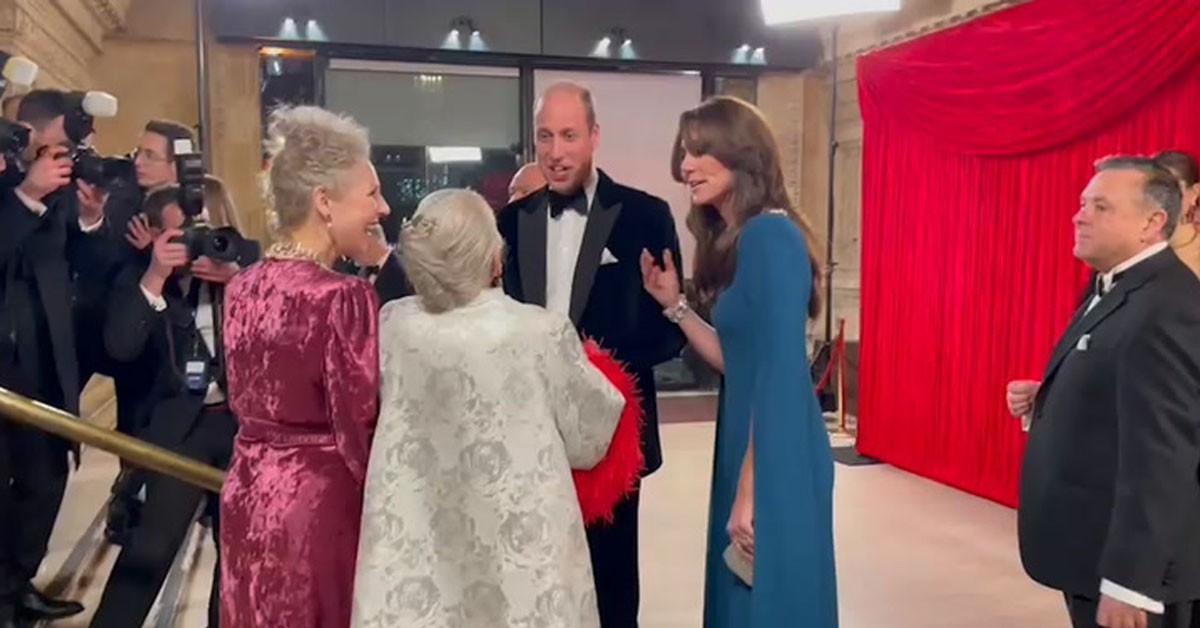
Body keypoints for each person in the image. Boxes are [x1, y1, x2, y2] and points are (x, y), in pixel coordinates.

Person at [353, 188, 642, 627]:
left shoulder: (392, 325)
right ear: (494, 258)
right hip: (523, 555)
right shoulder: (539, 332)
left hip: (419, 544)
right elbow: (591, 439)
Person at [640, 95, 837, 627]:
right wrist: (674, 305)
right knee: (744, 595)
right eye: (684, 152)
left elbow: (778, 375)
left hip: (775, 448)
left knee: (768, 602)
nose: (686, 165)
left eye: (702, 151)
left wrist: (752, 486)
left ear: (741, 154)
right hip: (755, 441)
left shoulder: (771, 237)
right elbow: (737, 360)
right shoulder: (747, 239)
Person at [496, 81, 686, 627]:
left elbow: (665, 335)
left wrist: (596, 363)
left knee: (611, 584)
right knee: (535, 576)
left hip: (612, 436)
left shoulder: (646, 216)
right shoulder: (509, 223)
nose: (556, 152)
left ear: (595, 136)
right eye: (545, 137)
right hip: (529, 433)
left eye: (570, 136)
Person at [1008, 156, 1200, 628]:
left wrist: (1129, 583)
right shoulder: (1114, 285)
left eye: (1100, 206)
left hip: (1130, 572)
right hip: (1090, 547)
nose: (1079, 215)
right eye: (1081, 203)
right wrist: (1052, 394)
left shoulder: (1165, 305)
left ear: (1152, 223)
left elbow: (1163, 455)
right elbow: (1120, 385)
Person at [219, 105, 389, 628]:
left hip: (245, 494)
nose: (383, 207)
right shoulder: (346, 297)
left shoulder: (241, 285)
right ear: (324, 203)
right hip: (319, 513)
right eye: (371, 194)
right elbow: (359, 428)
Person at [89, 179, 256, 628]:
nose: (195, 244)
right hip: (180, 429)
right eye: (180, 236)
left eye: (204, 230)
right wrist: (156, 275)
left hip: (244, 430)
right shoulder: (143, 279)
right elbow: (120, 346)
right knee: (150, 549)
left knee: (239, 560)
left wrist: (241, 282)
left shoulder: (253, 268)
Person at [0, 88, 115, 626]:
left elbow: (82, 267)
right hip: (5, 363)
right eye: (52, 148)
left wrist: (90, 220)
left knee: (48, 480)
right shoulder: (9, 182)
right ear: (27, 137)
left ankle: (17, 584)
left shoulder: (60, 188)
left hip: (51, 358)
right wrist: (26, 195)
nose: (60, 159)